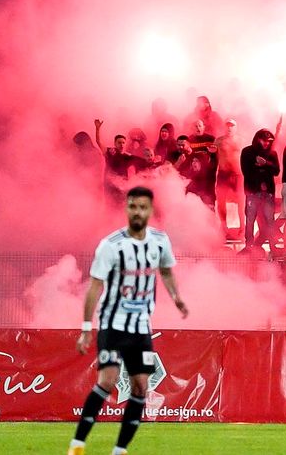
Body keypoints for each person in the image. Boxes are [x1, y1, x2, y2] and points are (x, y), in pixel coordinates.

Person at [69, 186, 188, 455]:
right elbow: (95, 286)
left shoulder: (160, 242)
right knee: (107, 381)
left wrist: (176, 298)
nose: (137, 212)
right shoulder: (111, 246)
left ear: (150, 210)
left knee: (141, 386)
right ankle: (77, 445)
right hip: (113, 324)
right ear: (127, 208)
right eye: (133, 206)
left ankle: (120, 450)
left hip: (141, 327)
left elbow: (166, 272)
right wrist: (86, 328)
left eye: (142, 207)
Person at [239, 129, 279, 251]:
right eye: (264, 140)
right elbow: (245, 171)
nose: (267, 143)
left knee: (270, 219)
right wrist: (259, 179)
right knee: (250, 219)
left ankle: (272, 246)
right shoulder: (247, 152)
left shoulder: (272, 153)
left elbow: (277, 171)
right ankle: (248, 246)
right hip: (252, 191)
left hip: (268, 192)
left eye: (269, 141)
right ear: (257, 139)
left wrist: (265, 163)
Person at [214, 119, 242, 226]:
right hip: (223, 174)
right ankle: (223, 226)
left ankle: (243, 227)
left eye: (232, 126)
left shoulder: (241, 140)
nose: (229, 128)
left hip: (238, 174)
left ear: (236, 128)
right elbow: (213, 157)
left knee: (242, 201)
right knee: (221, 201)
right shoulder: (218, 141)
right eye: (228, 126)